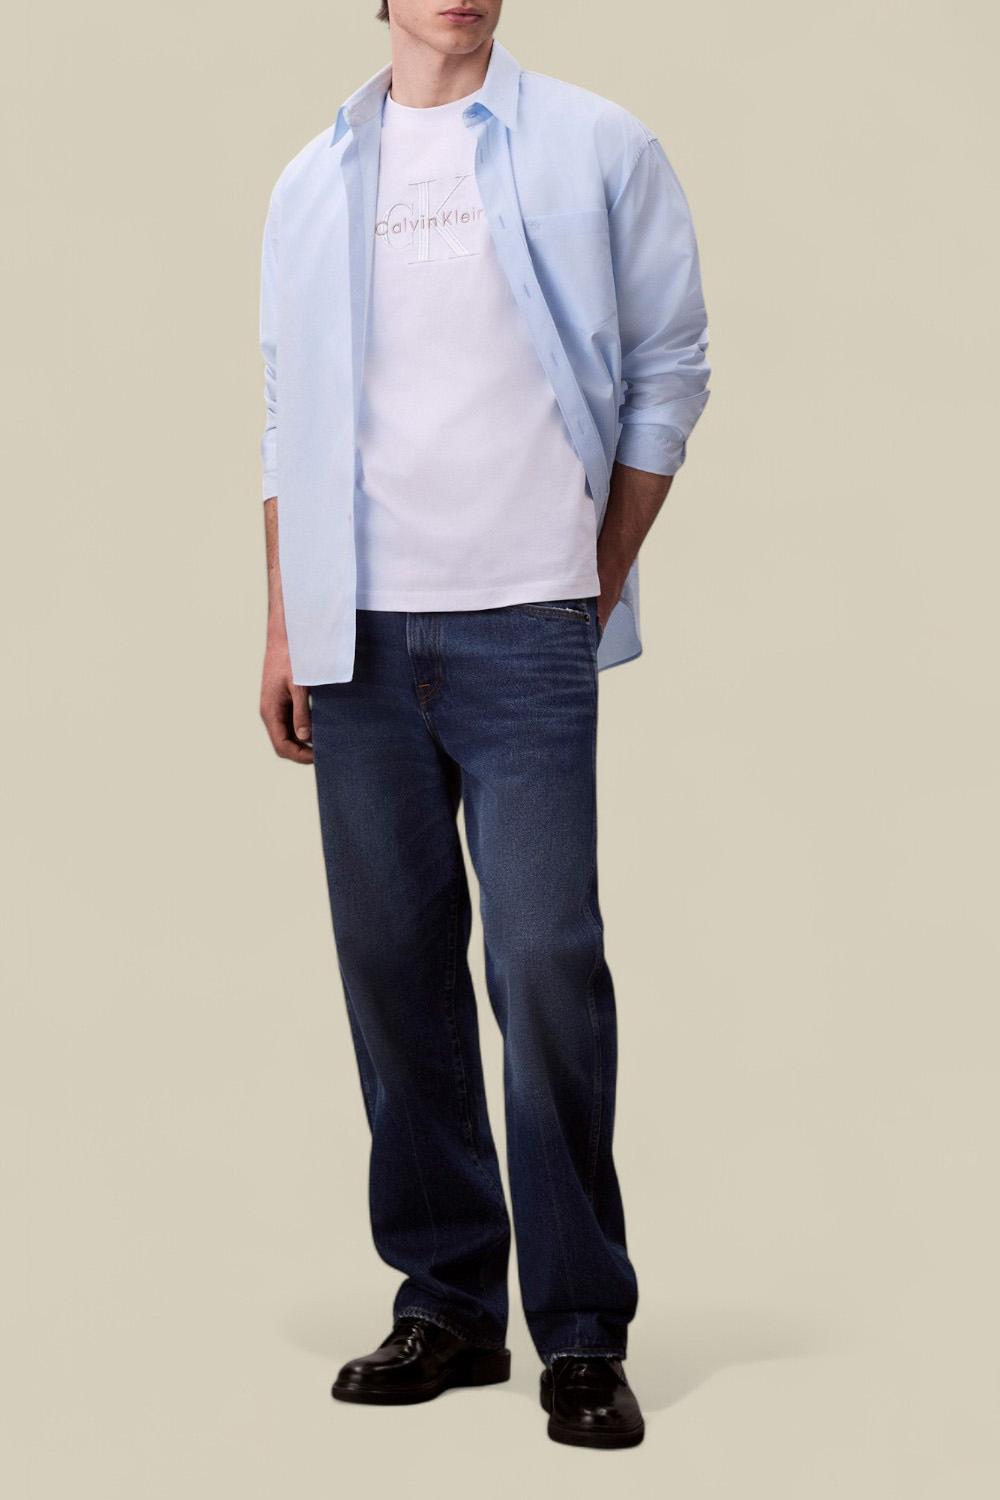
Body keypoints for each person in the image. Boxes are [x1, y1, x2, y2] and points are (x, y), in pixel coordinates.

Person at [257, 0, 710, 1450]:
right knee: (395, 975)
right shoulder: (312, 178)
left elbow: (672, 364)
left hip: (527, 625)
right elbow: (286, 411)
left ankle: (580, 1328)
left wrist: (600, 569)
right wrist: (286, 623)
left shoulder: (597, 145)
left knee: (547, 964)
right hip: (358, 636)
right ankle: (448, 1303)